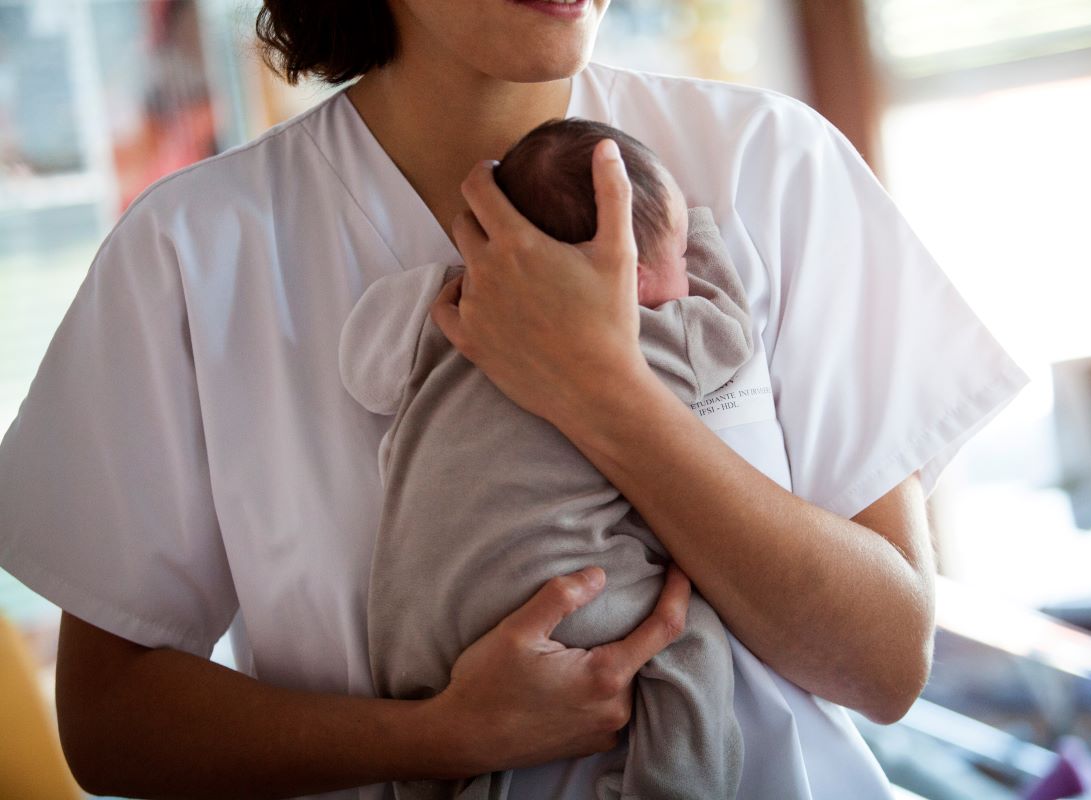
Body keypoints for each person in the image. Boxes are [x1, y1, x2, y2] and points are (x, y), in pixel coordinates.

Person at [0, 1, 1030, 798]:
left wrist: (607, 393)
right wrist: (446, 735)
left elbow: (889, 660)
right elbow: (109, 720)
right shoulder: (194, 253)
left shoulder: (770, 164)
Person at [344, 118, 751, 800]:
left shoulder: (456, 313)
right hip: (560, 600)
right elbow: (731, 335)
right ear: (643, 277)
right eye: (678, 259)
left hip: (412, 625)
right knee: (690, 636)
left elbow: (363, 372)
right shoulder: (652, 334)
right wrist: (697, 234)